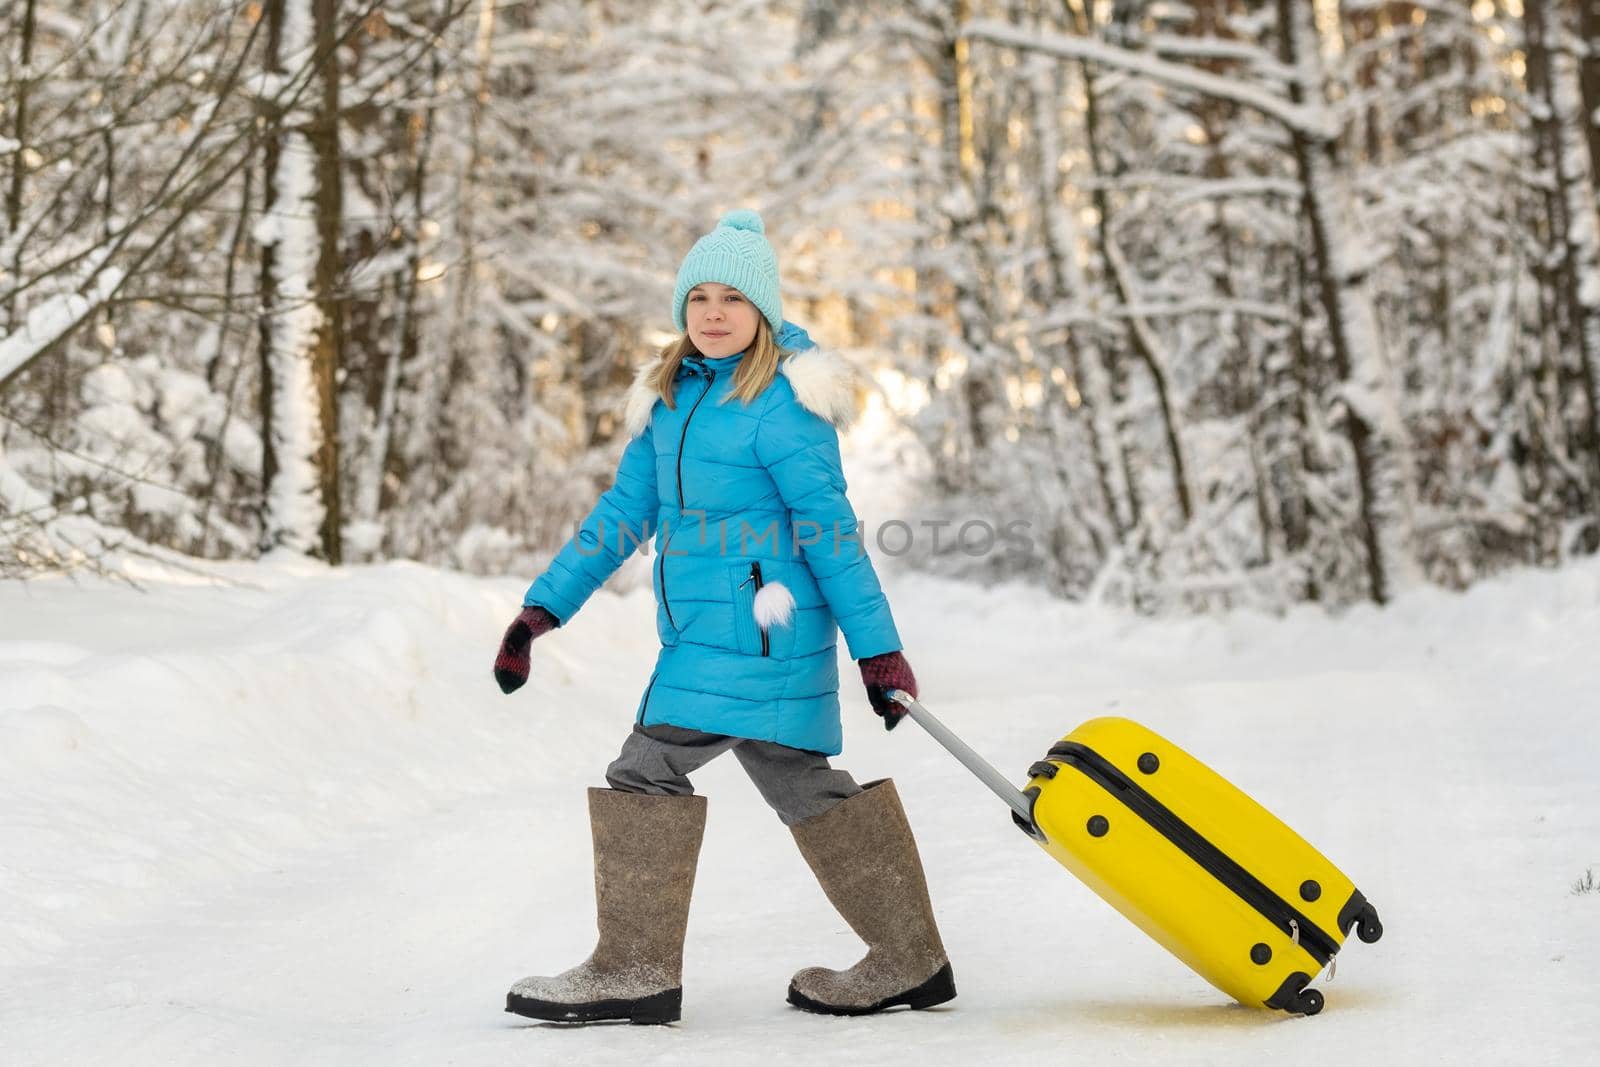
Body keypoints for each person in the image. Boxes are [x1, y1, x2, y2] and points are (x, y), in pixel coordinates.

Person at [492, 209, 953, 1025]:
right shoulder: (670, 400)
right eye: (698, 296)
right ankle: (909, 955)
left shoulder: (781, 406)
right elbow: (619, 517)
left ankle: (633, 970)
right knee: (805, 783)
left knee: (646, 769)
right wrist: (542, 608)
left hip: (756, 632)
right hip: (714, 634)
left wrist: (879, 651)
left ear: (764, 314)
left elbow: (830, 533)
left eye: (733, 298)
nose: (712, 312)